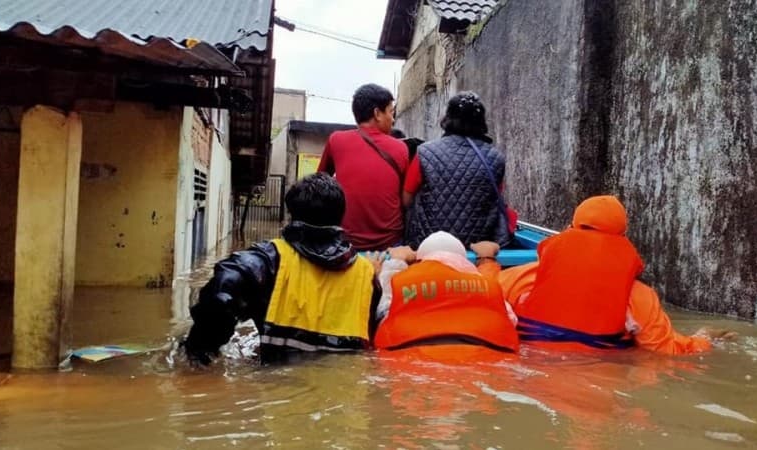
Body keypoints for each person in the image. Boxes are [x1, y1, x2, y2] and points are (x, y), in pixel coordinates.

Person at [183, 173, 381, 365]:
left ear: (292, 214)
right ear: (341, 217)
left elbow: (221, 293)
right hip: (347, 391)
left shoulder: (269, 260)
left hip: (274, 388)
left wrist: (199, 353)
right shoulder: (368, 275)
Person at [495, 195, 732, 354]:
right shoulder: (637, 296)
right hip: (598, 386)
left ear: (570, 228)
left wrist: (487, 262)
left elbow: (482, 296)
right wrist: (705, 339)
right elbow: (665, 350)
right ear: (622, 237)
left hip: (527, 378)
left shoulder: (523, 277)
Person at [372, 231, 518, 353]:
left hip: (409, 352)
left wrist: (396, 262)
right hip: (485, 353)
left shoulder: (403, 281)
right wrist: (486, 260)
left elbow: (383, 312)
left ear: (419, 261)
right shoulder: (488, 285)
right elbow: (511, 319)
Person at [403, 92, 512, 248]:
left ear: (448, 118)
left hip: (430, 246)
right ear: (481, 121)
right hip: (479, 249)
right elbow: (495, 198)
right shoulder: (496, 157)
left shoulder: (424, 152)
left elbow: (406, 199)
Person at [318, 84, 409, 251]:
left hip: (345, 245)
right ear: (377, 114)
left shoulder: (336, 140)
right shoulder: (401, 148)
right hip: (390, 246)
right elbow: (405, 197)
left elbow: (320, 184)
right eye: (391, 112)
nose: (393, 119)